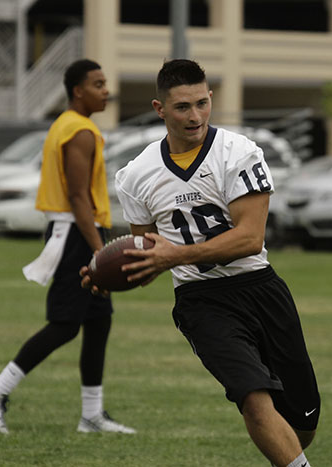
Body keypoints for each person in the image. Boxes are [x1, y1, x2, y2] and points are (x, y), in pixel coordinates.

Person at [83, 59, 320, 467]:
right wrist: (110, 272)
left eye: (201, 104)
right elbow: (146, 252)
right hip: (202, 300)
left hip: (260, 288)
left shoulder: (238, 153)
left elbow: (250, 238)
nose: (194, 116)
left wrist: (173, 255)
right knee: (253, 396)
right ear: (160, 109)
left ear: (210, 98)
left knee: (303, 418)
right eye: (182, 107)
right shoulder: (137, 175)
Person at [0, 59, 135, 435]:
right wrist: (99, 251)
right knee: (64, 325)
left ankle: (91, 415)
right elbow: (78, 196)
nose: (105, 90)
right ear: (78, 90)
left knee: (98, 321)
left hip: (81, 232)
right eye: (98, 83)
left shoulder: (73, 125)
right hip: (76, 235)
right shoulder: (77, 130)